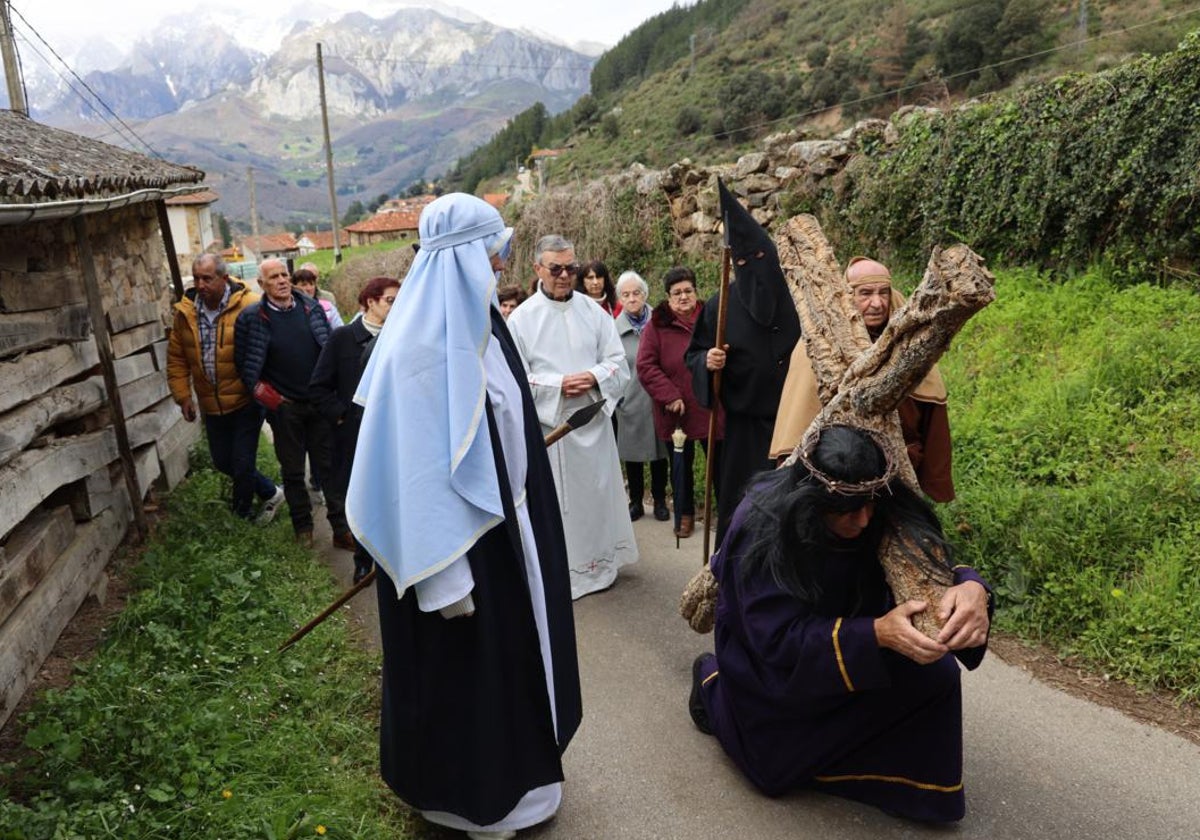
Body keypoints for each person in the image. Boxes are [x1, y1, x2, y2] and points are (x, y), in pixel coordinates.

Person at [345, 193, 581, 840]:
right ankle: (474, 803)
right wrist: (444, 577)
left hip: (509, 533)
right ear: (464, 258)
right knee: (468, 676)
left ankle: (525, 783)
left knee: (513, 664)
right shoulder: (419, 350)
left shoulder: (484, 325)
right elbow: (415, 476)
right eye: (492, 252)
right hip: (456, 555)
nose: (502, 264)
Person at [691, 424, 991, 822]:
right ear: (810, 500)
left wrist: (973, 589)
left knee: (936, 676)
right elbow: (775, 639)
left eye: (871, 506)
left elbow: (926, 558)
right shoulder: (760, 523)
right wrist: (875, 633)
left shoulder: (875, 491)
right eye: (847, 511)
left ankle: (903, 784)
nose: (865, 521)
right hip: (777, 662)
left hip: (860, 635)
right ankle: (712, 689)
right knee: (772, 771)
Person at [506, 234, 639, 599]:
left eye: (571, 268)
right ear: (538, 269)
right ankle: (564, 572)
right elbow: (514, 378)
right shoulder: (521, 319)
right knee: (560, 505)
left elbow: (618, 363)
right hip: (553, 429)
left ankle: (600, 565)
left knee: (597, 496)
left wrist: (594, 376)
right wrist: (557, 384)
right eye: (556, 268)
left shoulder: (594, 312)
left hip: (592, 421)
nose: (565, 275)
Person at [769, 256, 955, 501]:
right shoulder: (816, 344)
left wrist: (933, 480)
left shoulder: (909, 343)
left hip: (900, 473)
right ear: (846, 297)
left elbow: (932, 416)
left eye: (883, 293)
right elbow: (799, 413)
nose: (876, 303)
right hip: (840, 476)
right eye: (865, 293)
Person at [685, 180, 800, 543]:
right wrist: (708, 360)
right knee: (744, 513)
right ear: (734, 264)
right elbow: (693, 354)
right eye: (745, 262)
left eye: (762, 258)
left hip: (798, 425)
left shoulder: (799, 294)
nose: (755, 267)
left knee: (795, 512)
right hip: (745, 432)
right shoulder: (720, 305)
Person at [234, 258, 351, 550]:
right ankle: (303, 528)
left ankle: (341, 529)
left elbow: (328, 351)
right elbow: (246, 368)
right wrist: (274, 401)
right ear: (261, 284)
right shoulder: (251, 318)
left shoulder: (312, 309)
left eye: (284, 275)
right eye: (274, 277)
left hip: (318, 403)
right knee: (294, 471)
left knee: (329, 469)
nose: (282, 281)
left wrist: (332, 393)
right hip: (286, 409)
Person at [167, 254, 283, 520]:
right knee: (222, 461)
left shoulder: (250, 305)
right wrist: (183, 396)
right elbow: (177, 357)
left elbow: (274, 345)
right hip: (211, 403)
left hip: (246, 400)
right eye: (196, 278)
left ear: (224, 278)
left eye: (207, 278)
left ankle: (241, 519)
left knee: (242, 463)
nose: (200, 284)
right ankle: (270, 492)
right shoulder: (185, 313)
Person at [309, 275, 400, 583]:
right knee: (361, 498)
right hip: (354, 437)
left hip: (395, 433)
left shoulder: (400, 337)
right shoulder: (343, 338)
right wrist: (343, 418)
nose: (396, 306)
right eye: (390, 300)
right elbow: (319, 388)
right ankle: (363, 560)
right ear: (370, 302)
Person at [637, 266, 724, 539]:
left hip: (711, 407)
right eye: (677, 293)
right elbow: (646, 366)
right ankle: (684, 515)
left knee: (720, 466)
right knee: (681, 468)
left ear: (696, 292)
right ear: (668, 296)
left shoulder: (712, 317)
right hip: (677, 411)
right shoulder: (656, 326)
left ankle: (727, 516)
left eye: (688, 291)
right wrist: (669, 395)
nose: (683, 297)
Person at [612, 271, 668, 522]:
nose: (632, 298)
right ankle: (635, 501)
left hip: (657, 398)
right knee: (632, 455)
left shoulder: (661, 323)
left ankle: (659, 501)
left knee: (659, 454)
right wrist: (618, 396)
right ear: (620, 299)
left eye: (636, 293)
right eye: (626, 294)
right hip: (630, 399)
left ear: (645, 294)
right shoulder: (613, 330)